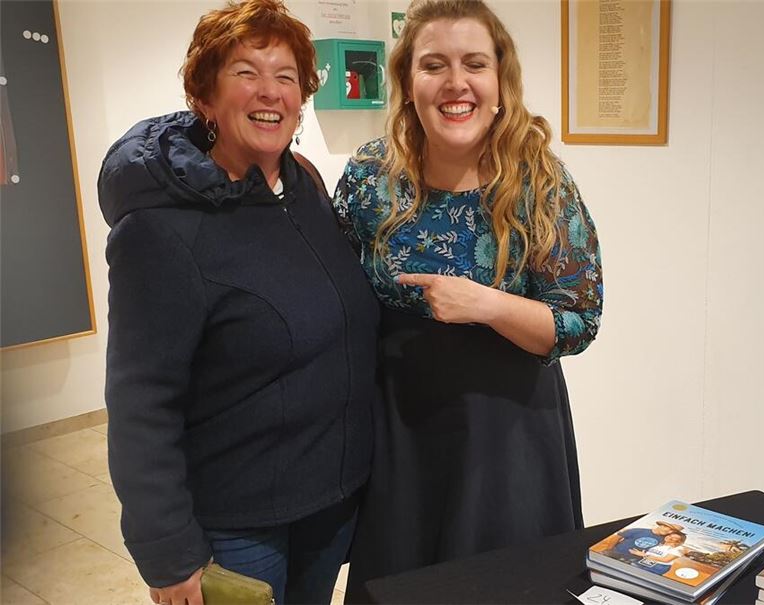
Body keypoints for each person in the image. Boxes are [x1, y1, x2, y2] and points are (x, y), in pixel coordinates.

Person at [98, 1, 379, 604]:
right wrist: (168, 552)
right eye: (246, 72)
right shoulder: (162, 227)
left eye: (286, 76)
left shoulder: (303, 185)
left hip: (329, 505)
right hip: (240, 524)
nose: (270, 91)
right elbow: (140, 401)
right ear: (204, 96)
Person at [332, 0, 603, 598]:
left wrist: (486, 304)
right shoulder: (369, 177)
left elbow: (579, 321)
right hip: (399, 430)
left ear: (500, 82)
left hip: (507, 438)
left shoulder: (541, 183)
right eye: (434, 65)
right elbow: (333, 292)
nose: (456, 84)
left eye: (474, 64)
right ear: (408, 83)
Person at [601, 521, 686, 565]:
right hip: (614, 553)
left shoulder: (665, 539)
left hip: (632, 560)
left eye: (673, 531)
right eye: (670, 529)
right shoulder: (639, 530)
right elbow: (617, 537)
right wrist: (609, 549)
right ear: (662, 526)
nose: (670, 532)